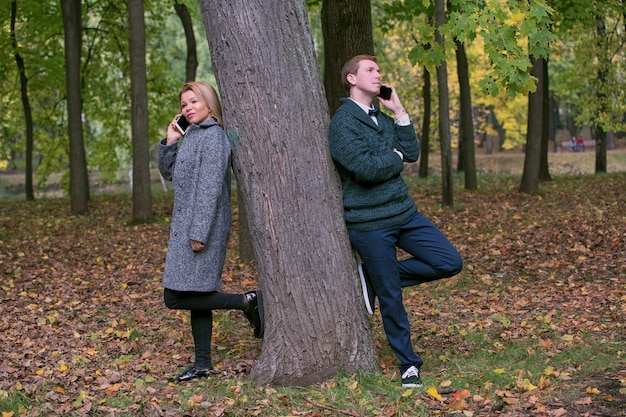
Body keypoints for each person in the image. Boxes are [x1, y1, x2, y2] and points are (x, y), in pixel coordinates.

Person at [328, 55, 463, 388]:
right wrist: (395, 157)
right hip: (369, 222)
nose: (378, 75)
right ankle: (409, 364)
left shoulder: (384, 119)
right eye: (370, 70)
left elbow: (411, 152)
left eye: (379, 71)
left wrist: (400, 112)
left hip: (404, 213)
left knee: (449, 262)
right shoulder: (342, 124)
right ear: (351, 79)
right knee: (391, 296)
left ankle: (373, 277)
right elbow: (367, 169)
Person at [158, 81, 264, 383]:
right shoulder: (192, 135)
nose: (188, 108)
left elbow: (210, 188)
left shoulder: (215, 138)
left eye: (194, 101)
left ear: (209, 103)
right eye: (183, 105)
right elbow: (171, 173)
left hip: (201, 227)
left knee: (174, 297)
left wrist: (199, 232)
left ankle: (247, 301)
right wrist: (170, 140)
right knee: (196, 293)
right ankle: (202, 363)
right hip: (186, 227)